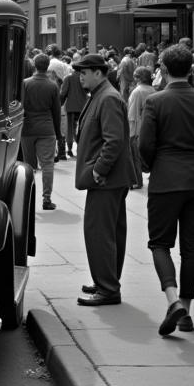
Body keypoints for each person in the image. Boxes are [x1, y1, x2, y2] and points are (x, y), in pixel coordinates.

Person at [137, 45, 194, 336]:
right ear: (192, 69)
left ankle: (173, 300)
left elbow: (145, 144)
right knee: (191, 247)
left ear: (163, 69)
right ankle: (185, 310)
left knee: (160, 244)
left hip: (165, 180)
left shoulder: (156, 102)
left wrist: (151, 166)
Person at [72, 52, 139, 306]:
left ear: (98, 73)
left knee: (99, 233)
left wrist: (99, 170)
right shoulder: (102, 95)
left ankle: (108, 288)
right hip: (109, 179)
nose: (80, 77)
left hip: (106, 179)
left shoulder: (107, 97)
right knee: (109, 232)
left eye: (84, 72)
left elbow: (114, 141)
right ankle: (106, 281)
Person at [21, 53, 63, 209]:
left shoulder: (25, 83)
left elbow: (20, 106)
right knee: (47, 165)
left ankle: (27, 200)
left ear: (34, 66)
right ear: (48, 67)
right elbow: (56, 113)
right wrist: (58, 134)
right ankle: (46, 199)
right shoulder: (53, 86)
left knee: (29, 167)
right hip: (47, 128)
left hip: (27, 129)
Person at [126, 66, 155, 188]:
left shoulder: (137, 92)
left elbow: (132, 115)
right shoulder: (153, 90)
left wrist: (130, 132)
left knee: (135, 157)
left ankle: (136, 181)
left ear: (138, 78)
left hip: (138, 128)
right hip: (151, 127)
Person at [59, 67, 87, 158]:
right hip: (83, 106)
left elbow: (63, 93)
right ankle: (81, 147)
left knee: (70, 128)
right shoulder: (84, 78)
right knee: (82, 128)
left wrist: (60, 103)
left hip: (71, 106)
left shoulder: (68, 78)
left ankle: (70, 148)